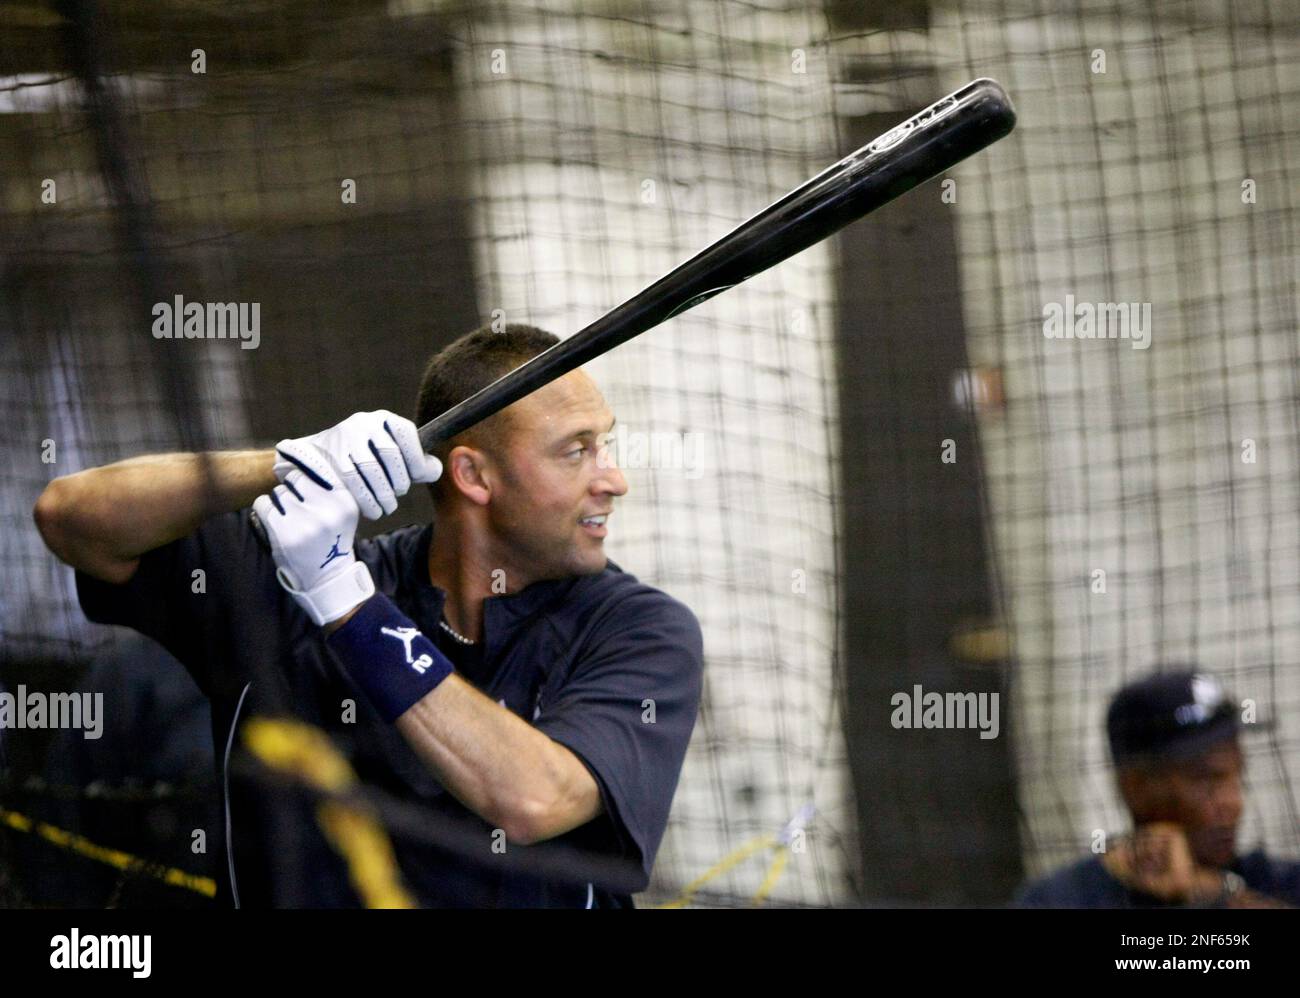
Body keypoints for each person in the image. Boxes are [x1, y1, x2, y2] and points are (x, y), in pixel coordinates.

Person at [33, 323, 704, 908]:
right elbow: (71, 518)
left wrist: (346, 604)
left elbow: (535, 799)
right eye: (575, 450)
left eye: (605, 444)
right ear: (472, 477)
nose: (613, 478)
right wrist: (288, 462)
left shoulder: (637, 628)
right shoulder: (283, 580)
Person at [1014, 669, 1299, 908]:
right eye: (1206, 780)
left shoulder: (1276, 881)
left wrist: (1216, 892)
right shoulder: (1064, 900)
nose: (1233, 803)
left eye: (1237, 775)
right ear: (1136, 787)